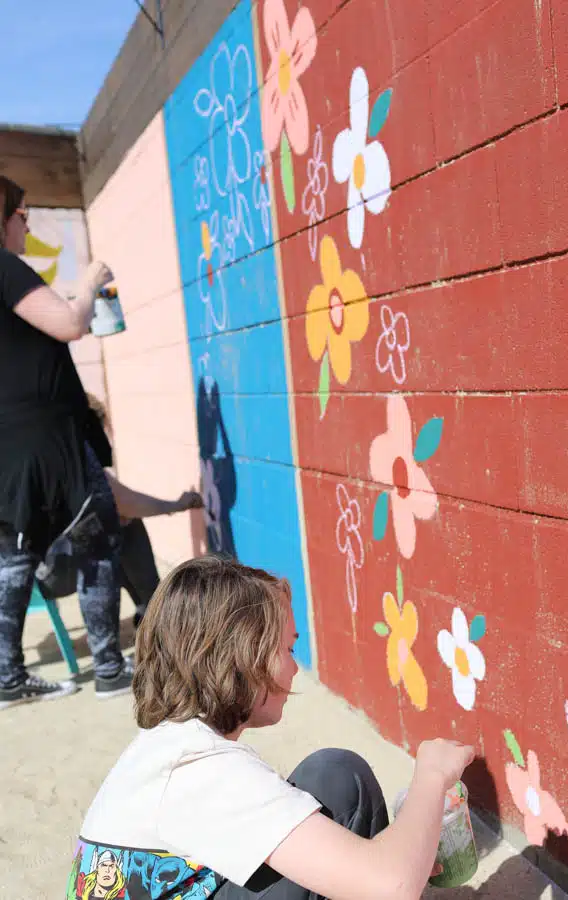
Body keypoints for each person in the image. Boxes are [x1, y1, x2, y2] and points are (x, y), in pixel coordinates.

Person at [68, 557, 476, 899]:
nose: (295, 667)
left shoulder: (168, 747)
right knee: (340, 779)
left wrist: (403, 850)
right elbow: (392, 886)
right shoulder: (202, 768)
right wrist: (432, 774)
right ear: (243, 658)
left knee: (325, 789)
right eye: (287, 649)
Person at [0, 175, 132, 710]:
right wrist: (90, 280)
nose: (26, 222)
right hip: (47, 443)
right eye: (21, 213)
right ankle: (109, 669)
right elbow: (67, 324)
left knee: (14, 557)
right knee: (97, 540)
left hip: (13, 447)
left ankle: (7, 675)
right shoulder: (5, 267)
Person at [86, 392, 203, 627]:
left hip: (32, 569)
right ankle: (156, 609)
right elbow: (126, 502)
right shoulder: (77, 461)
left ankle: (150, 610)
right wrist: (177, 505)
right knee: (124, 524)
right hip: (58, 570)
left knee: (114, 523)